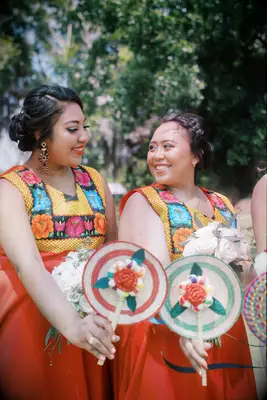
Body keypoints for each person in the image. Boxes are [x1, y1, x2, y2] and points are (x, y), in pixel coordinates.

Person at [114, 113, 257, 400]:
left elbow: (242, 269)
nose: (156, 155)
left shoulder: (221, 203)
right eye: (152, 148)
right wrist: (186, 330)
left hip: (225, 330)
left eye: (167, 146)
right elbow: (155, 280)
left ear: (196, 155)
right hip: (168, 336)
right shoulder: (145, 201)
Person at [0, 85, 118, 400]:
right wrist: (73, 326)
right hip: (33, 330)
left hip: (97, 327)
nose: (85, 137)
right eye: (72, 129)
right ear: (40, 133)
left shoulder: (95, 181)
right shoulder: (10, 189)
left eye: (85, 127)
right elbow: (29, 266)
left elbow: (113, 252)